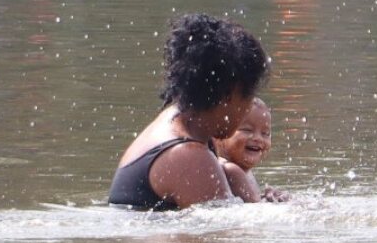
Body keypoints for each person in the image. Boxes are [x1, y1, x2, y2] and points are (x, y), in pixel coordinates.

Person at [110, 14, 271, 211]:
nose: (247, 109)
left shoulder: (180, 121)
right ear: (231, 95)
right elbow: (227, 236)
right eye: (248, 98)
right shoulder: (189, 156)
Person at [213, 97, 288, 203]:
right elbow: (259, 212)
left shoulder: (243, 171)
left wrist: (268, 198)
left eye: (265, 133)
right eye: (247, 130)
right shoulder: (231, 169)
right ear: (218, 137)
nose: (258, 138)